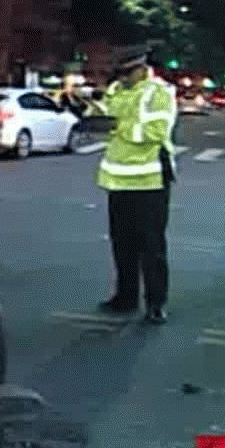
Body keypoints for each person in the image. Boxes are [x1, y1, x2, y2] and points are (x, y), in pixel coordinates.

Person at [97, 46, 179, 324]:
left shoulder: (159, 93)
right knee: (122, 244)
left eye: (127, 73)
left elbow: (155, 132)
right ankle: (125, 297)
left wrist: (119, 126)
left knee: (152, 246)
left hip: (151, 180)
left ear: (141, 68)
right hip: (118, 180)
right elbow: (106, 117)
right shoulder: (117, 90)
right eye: (119, 73)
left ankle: (156, 304)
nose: (122, 78)